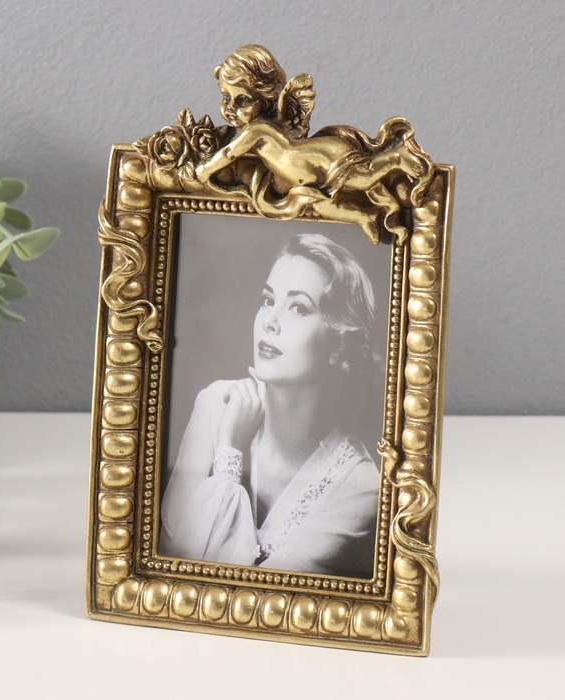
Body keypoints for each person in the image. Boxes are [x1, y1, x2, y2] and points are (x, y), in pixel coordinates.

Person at [160, 233, 381, 577]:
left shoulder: (360, 487)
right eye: (268, 300)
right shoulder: (216, 405)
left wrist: (229, 454)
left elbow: (247, 588)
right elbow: (172, 557)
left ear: (340, 344)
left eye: (298, 307)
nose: (269, 321)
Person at [194, 44, 431, 220]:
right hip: (310, 166)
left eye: (243, 100)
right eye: (226, 96)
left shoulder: (257, 131)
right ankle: (368, 216)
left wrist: (205, 169)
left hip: (321, 158)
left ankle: (396, 157)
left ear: (266, 99)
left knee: (362, 179)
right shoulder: (258, 128)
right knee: (325, 201)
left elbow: (229, 153)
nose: (230, 108)